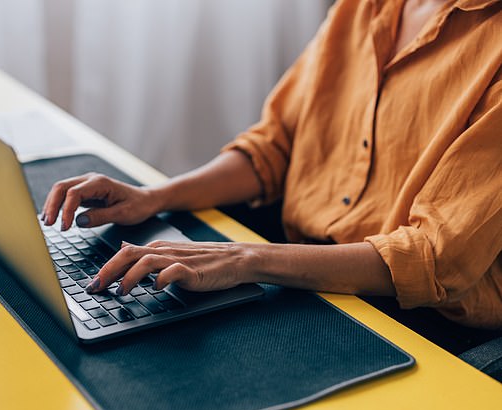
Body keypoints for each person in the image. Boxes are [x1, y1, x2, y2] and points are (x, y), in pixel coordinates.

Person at [42, 0, 502, 330]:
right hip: (300, 272)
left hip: (415, 319)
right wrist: (154, 196)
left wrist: (244, 258)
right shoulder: (359, 8)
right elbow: (275, 146)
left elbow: (432, 260)